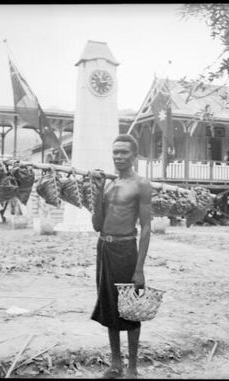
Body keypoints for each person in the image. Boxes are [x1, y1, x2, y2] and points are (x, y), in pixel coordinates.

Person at [90, 134, 152, 379]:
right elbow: (97, 225)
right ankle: (116, 363)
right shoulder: (107, 183)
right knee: (109, 306)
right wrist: (96, 195)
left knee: (130, 308)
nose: (118, 157)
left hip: (127, 249)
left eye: (124, 152)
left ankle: (133, 368)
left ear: (134, 155)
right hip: (104, 247)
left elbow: (146, 227)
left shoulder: (141, 184)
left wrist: (140, 268)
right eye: (115, 152)